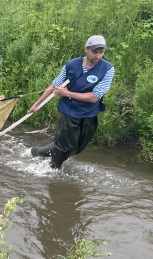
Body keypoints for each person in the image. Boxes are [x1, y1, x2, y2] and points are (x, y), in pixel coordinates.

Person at [28, 35, 115, 169]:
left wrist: (67, 93)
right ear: (86, 49)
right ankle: (53, 171)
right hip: (68, 112)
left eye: (101, 52)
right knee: (64, 147)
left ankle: (36, 152)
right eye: (95, 52)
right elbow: (54, 86)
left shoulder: (108, 69)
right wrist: (36, 104)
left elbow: (94, 97)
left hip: (89, 114)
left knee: (77, 148)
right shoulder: (71, 65)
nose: (98, 56)